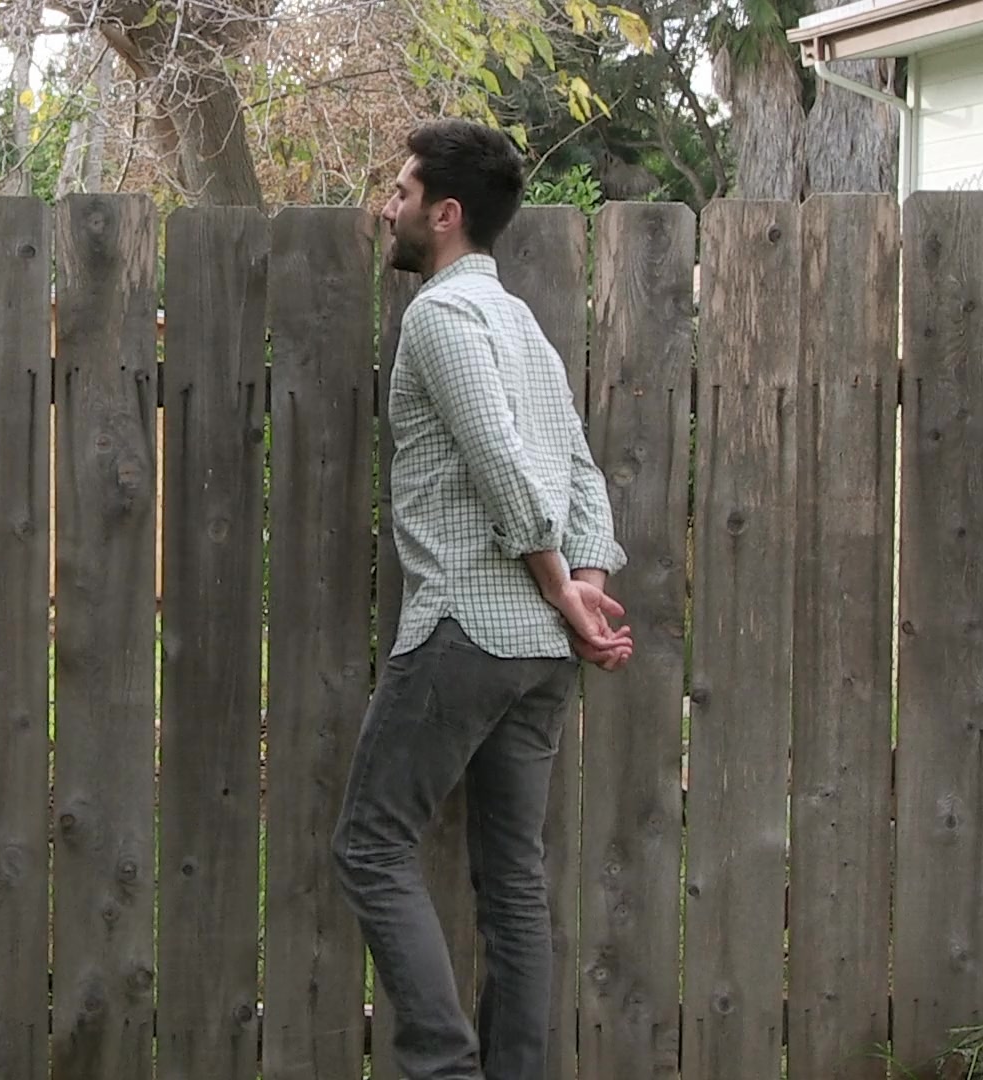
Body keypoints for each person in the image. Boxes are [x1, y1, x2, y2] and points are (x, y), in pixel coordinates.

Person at [331, 118, 633, 1080]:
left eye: (402, 191)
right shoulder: (523, 327)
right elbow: (581, 475)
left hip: (467, 629)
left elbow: (503, 463)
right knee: (512, 880)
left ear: (445, 213)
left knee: (371, 846)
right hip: (542, 657)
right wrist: (584, 592)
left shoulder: (442, 317)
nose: (388, 206)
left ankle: (443, 1068)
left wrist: (563, 586)